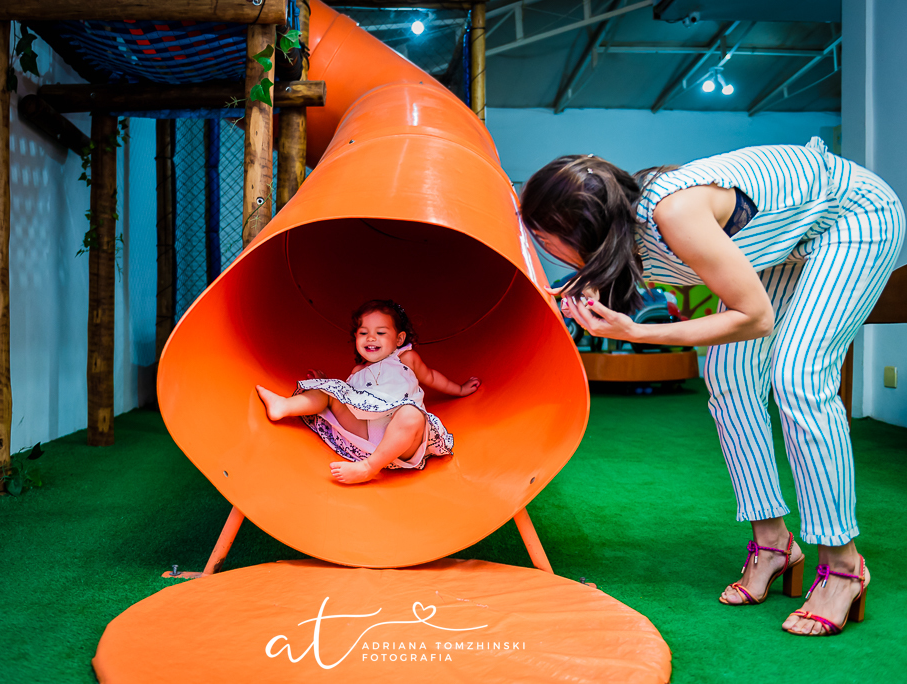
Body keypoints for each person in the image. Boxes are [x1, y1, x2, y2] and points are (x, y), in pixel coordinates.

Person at [520, 139, 904, 636]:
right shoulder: (622, 231)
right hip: (785, 239)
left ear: (582, 227)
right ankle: (773, 544)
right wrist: (589, 287)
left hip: (853, 217)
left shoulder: (674, 214)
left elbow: (756, 318)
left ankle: (844, 565)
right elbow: (625, 266)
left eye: (545, 237)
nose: (543, 247)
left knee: (798, 375)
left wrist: (637, 333)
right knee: (728, 374)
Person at [255, 299, 482, 484]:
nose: (371, 338)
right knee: (332, 390)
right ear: (355, 338)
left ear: (399, 339)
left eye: (381, 333)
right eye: (364, 333)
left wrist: (459, 389)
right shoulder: (357, 371)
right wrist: (324, 384)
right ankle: (284, 406)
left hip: (402, 442)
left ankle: (368, 468)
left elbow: (431, 377)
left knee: (412, 414)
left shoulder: (405, 358)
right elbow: (345, 400)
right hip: (363, 436)